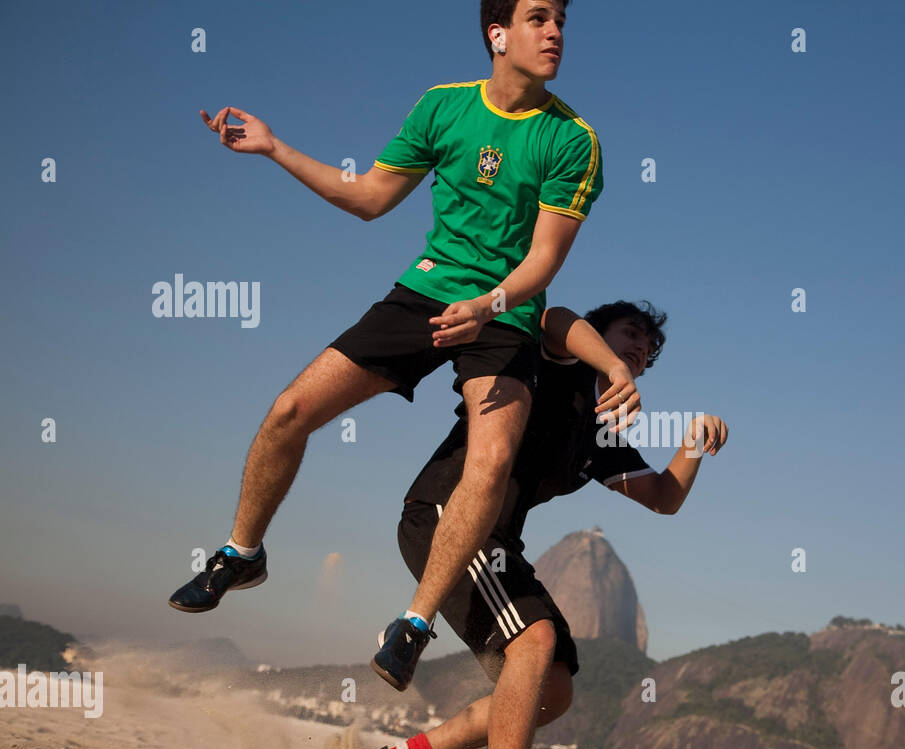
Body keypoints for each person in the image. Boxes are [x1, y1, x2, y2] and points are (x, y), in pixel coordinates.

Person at [168, 1, 628, 695]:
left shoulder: (572, 138)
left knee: (493, 458)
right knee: (291, 409)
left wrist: (487, 305)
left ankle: (413, 624)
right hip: (425, 294)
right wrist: (275, 147)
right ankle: (241, 552)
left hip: (505, 313)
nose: (556, 31)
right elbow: (369, 197)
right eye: (538, 17)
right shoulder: (442, 107)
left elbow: (542, 263)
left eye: (561, 18)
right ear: (497, 34)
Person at [374, 300, 729, 749]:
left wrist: (694, 443)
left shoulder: (599, 434)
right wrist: (610, 364)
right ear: (602, 334)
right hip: (447, 519)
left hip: (497, 547)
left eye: (647, 348)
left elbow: (664, 498)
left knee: (554, 689)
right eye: (628, 333)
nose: (639, 348)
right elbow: (555, 318)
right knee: (533, 641)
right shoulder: (555, 365)